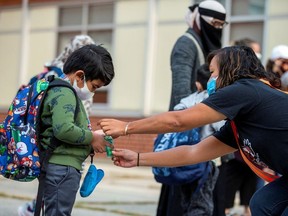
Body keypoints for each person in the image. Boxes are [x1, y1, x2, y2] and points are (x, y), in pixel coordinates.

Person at [99, 45, 288, 216]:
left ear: (231, 69)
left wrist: (126, 127)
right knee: (263, 203)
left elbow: (178, 121)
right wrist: (138, 158)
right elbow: (193, 152)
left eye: (213, 72)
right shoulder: (239, 123)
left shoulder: (245, 89)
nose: (210, 80)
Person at [29, 44, 115, 216]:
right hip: (62, 169)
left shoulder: (64, 91)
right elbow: (64, 130)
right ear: (80, 75)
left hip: (62, 168)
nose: (94, 93)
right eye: (95, 86)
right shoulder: (65, 93)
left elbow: (62, 131)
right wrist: (92, 138)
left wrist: (92, 142)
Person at [17, 34, 97, 216]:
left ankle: (35, 206)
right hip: (61, 154)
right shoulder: (68, 83)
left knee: (53, 198)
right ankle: (33, 207)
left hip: (53, 153)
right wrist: (91, 137)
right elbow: (64, 127)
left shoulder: (51, 76)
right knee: (57, 202)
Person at [164, 0, 227, 214]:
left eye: (221, 25)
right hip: (190, 134)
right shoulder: (186, 43)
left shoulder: (206, 45)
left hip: (208, 135)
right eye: (214, 23)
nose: (217, 29)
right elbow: (182, 93)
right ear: (200, 21)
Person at [214, 38, 263, 216]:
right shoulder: (236, 88)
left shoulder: (255, 86)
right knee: (227, 198)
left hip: (253, 155)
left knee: (252, 200)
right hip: (234, 156)